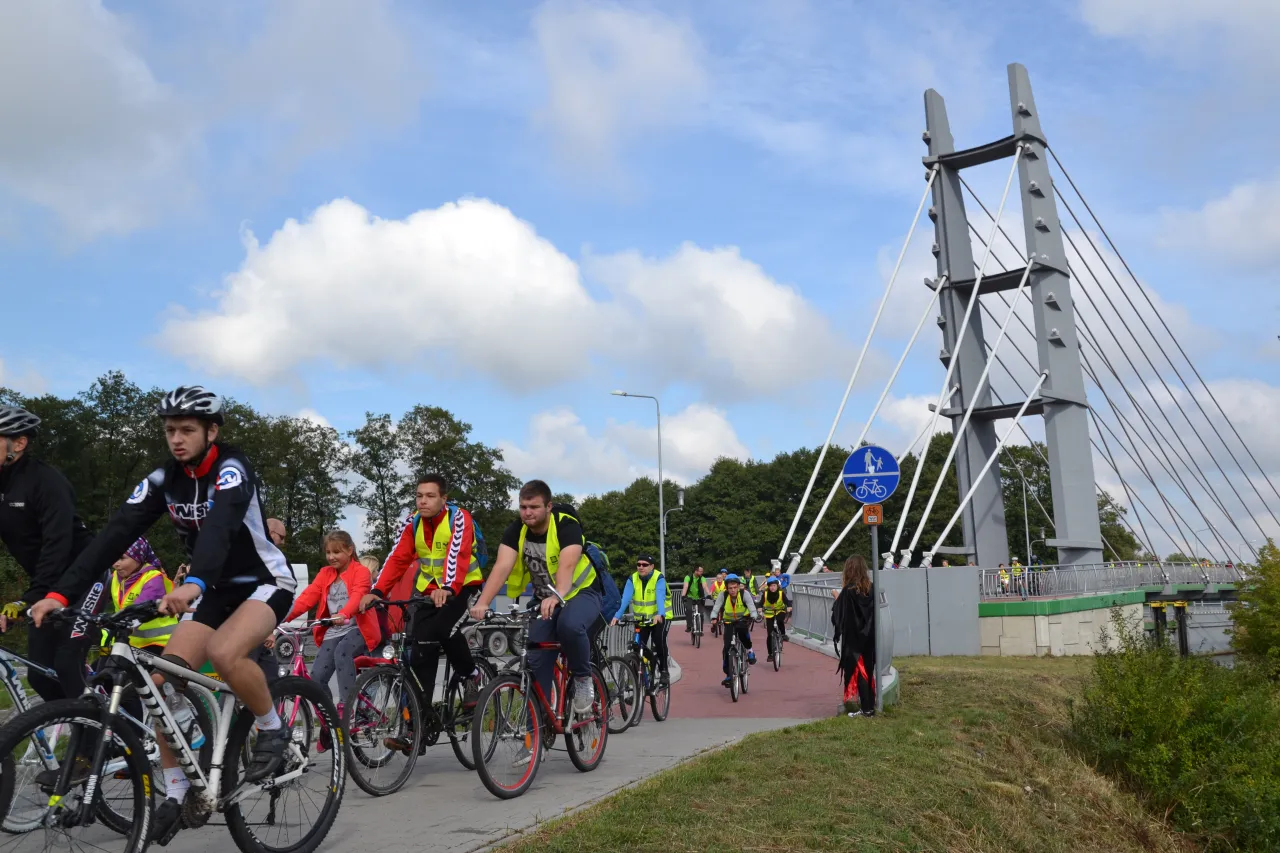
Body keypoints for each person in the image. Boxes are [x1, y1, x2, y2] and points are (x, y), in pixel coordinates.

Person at [30, 386, 298, 843]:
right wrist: (60, 593)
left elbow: (220, 526)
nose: (176, 438)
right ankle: (176, 793)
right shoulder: (163, 480)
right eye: (170, 430)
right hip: (210, 590)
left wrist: (195, 581)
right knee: (159, 683)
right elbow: (113, 536)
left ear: (211, 432)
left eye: (187, 430)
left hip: (262, 583)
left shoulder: (232, 468)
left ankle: (273, 730)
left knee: (225, 652)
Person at [360, 473, 486, 754]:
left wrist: (448, 588)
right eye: (419, 496)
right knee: (418, 652)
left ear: (444, 499)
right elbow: (397, 558)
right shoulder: (412, 522)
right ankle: (416, 728)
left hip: (463, 586)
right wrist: (377, 591)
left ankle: (471, 674)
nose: (423, 501)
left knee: (443, 629)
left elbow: (457, 555)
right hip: (428, 590)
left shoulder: (458, 518)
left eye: (430, 496)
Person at [469, 480, 601, 717]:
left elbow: (567, 565)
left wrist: (557, 595)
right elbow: (502, 566)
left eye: (534, 507)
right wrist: (483, 602)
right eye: (523, 507)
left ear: (548, 506)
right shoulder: (516, 530)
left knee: (570, 626)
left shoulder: (566, 525)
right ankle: (537, 731)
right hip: (544, 600)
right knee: (536, 659)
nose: (527, 513)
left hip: (581, 593)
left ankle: (582, 678)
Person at [0, 405, 99, 705]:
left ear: (19, 443)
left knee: (67, 663)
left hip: (85, 576)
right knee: (40, 675)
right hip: (46, 584)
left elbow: (57, 545)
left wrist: (29, 598)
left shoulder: (46, 481)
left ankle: (115, 725)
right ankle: (82, 722)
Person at [281, 531, 378, 739]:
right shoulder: (325, 573)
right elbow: (307, 598)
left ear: (350, 550)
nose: (331, 557)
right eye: (328, 552)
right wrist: (281, 616)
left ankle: (346, 706)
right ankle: (330, 719)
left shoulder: (360, 572)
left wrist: (344, 614)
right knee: (316, 678)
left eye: (336, 552)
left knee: (342, 652)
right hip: (334, 630)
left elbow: (358, 596)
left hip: (357, 628)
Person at [611, 554, 670, 685]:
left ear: (652, 566)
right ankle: (642, 675)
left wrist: (660, 614)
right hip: (641, 620)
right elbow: (625, 599)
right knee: (637, 647)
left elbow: (660, 597)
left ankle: (664, 670)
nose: (641, 567)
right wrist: (617, 616)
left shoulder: (658, 578)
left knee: (659, 642)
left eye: (644, 565)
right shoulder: (632, 579)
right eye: (638, 564)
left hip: (657, 618)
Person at [832, 555, 876, 717]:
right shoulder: (871, 588)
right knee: (868, 670)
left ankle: (867, 710)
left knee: (859, 672)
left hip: (853, 637)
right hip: (869, 635)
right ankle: (869, 706)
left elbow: (839, 616)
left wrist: (836, 597)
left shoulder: (848, 591)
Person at [710, 573, 759, 688]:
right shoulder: (723, 595)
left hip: (742, 619)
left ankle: (750, 651)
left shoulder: (744, 594)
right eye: (730, 588)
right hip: (728, 621)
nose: (732, 590)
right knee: (727, 648)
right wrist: (713, 617)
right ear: (726, 588)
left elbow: (751, 606)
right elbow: (716, 607)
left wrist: (754, 615)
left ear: (738, 586)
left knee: (743, 635)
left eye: (735, 587)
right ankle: (729, 674)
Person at [760, 576, 792, 661]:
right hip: (769, 614)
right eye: (770, 586)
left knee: (780, 620)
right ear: (768, 587)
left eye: (774, 585)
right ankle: (770, 654)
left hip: (779, 611)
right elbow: (761, 603)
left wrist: (789, 606)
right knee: (770, 635)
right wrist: (759, 607)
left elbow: (787, 601)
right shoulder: (765, 594)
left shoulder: (781, 593)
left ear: (777, 586)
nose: (772, 587)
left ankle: (783, 634)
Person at [681, 565, 708, 633]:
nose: (702, 572)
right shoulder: (688, 577)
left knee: (701, 614)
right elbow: (685, 586)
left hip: (699, 597)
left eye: (702, 571)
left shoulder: (702, 578)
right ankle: (689, 626)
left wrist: (709, 594)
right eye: (700, 571)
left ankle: (701, 630)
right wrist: (683, 596)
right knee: (689, 610)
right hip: (689, 597)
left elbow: (705, 586)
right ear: (696, 571)